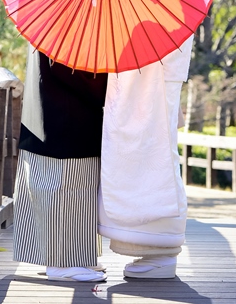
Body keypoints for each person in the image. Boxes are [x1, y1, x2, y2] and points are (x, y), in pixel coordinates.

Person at [97, 36, 194, 279]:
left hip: (156, 60)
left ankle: (162, 251)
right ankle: (158, 251)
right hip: (149, 58)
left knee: (154, 149)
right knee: (150, 148)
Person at [14, 46, 109, 282]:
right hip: (67, 116)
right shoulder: (68, 26)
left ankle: (73, 257)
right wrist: (109, 79)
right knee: (67, 189)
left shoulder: (48, 22)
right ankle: (61, 263)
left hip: (47, 111)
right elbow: (76, 71)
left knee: (66, 189)